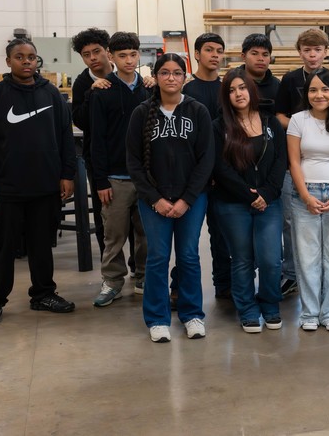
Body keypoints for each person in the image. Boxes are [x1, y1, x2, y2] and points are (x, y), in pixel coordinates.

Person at [0, 38, 76, 326]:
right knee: (1, 247)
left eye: (31, 56)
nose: (27, 61)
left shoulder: (53, 96)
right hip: (6, 189)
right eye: (19, 57)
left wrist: (67, 175)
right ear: (8, 62)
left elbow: (66, 139)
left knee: (42, 245)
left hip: (45, 187)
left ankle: (43, 294)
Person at [126, 53, 214, 343]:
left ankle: (192, 315)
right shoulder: (141, 113)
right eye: (165, 73)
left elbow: (206, 160)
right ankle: (157, 318)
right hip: (154, 200)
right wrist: (155, 199)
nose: (172, 78)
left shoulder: (197, 110)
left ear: (185, 77)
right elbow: (134, 162)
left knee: (189, 256)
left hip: (191, 199)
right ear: (156, 76)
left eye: (177, 73)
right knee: (158, 257)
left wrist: (187, 199)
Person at [212, 69, 287, 333]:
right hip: (233, 203)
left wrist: (266, 193)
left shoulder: (270, 122)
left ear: (251, 91)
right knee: (242, 258)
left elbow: (281, 160)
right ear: (226, 96)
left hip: (269, 202)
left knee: (271, 259)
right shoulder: (219, 126)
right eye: (231, 90)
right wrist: (248, 195)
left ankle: (270, 305)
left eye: (242, 88)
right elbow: (219, 167)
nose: (238, 94)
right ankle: (247, 309)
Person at [275, 29, 329, 298]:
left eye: (317, 49)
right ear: (300, 52)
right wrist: (301, 126)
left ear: (325, 52)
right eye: (307, 49)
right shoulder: (290, 79)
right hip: (297, 159)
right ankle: (293, 274)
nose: (312, 54)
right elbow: (279, 114)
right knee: (293, 222)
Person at [287, 68, 329, 331]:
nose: (319, 94)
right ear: (307, 93)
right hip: (304, 194)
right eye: (313, 90)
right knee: (307, 256)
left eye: (325, 89)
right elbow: (294, 162)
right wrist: (305, 195)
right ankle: (309, 314)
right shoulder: (298, 120)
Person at [90, 31, 149, 307]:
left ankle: (144, 277)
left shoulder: (149, 89)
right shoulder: (103, 91)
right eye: (122, 55)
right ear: (111, 57)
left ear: (139, 55)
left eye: (133, 54)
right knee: (113, 234)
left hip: (147, 177)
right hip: (115, 178)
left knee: (146, 233)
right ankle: (112, 281)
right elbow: (96, 141)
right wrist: (101, 180)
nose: (129, 60)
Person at [180, 32, 230, 300]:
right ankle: (179, 288)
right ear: (196, 54)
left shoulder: (228, 88)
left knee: (221, 235)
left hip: (223, 174)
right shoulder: (185, 89)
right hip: (194, 176)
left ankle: (224, 285)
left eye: (219, 50)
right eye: (209, 50)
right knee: (187, 239)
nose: (215, 55)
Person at [71, 28, 114, 256]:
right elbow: (79, 121)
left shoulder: (127, 74)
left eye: (96, 51)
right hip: (98, 158)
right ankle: (110, 270)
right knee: (103, 214)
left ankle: (139, 269)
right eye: (86, 54)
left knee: (137, 216)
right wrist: (91, 93)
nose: (92, 58)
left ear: (108, 51)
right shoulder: (82, 83)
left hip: (130, 158)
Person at [239, 33, 280, 116]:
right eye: (254, 54)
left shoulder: (277, 85)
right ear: (243, 57)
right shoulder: (233, 83)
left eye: (265, 55)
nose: (261, 59)